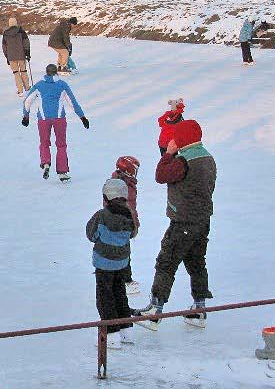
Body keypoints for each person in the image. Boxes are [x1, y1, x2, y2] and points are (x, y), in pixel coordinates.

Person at [136, 119, 216, 331]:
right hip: (202, 220)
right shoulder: (208, 157)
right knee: (197, 262)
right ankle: (199, 308)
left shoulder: (183, 161)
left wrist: (168, 154)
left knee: (166, 261)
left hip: (183, 222)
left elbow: (160, 176)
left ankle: (155, 311)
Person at [86, 178, 137, 349]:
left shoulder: (101, 215)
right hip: (122, 262)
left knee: (105, 296)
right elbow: (132, 234)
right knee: (119, 293)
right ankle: (126, 330)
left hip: (104, 263)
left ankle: (111, 334)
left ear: (106, 198)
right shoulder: (129, 214)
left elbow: (91, 235)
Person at [21, 63, 90, 182]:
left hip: (43, 118)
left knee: (44, 142)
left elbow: (27, 101)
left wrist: (26, 115)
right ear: (56, 73)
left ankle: (46, 162)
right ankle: (62, 172)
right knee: (61, 144)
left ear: (46, 72)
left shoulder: (39, 85)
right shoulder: (62, 85)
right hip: (59, 119)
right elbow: (72, 102)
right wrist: (82, 117)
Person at [112, 156, 142, 295]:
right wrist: (133, 224)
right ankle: (125, 280)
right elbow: (128, 208)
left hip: (124, 224)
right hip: (121, 225)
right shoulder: (121, 185)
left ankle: (124, 279)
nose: (135, 173)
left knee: (123, 252)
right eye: (133, 170)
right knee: (122, 253)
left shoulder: (127, 183)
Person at [1, 16, 31, 96]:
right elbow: (26, 43)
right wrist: (28, 54)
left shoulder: (5, 33)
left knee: (16, 73)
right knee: (23, 72)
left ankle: (20, 91)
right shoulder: (21, 32)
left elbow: (4, 47)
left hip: (11, 57)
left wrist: (7, 57)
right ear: (16, 23)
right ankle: (27, 88)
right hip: (21, 56)